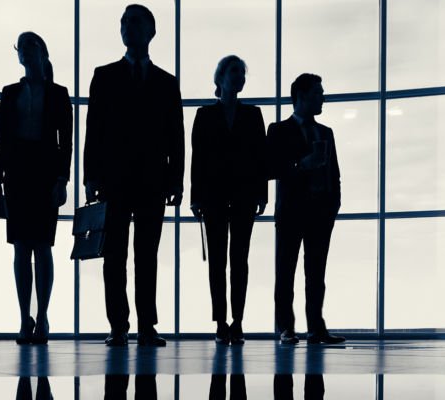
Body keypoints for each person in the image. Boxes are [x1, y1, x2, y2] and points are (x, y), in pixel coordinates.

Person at [84, 4, 185, 347]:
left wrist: (176, 180)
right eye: (124, 22)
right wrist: (90, 177)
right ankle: (119, 325)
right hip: (113, 179)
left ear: (151, 31)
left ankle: (146, 325)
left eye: (135, 22)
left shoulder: (167, 83)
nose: (128, 26)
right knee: (114, 255)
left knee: (147, 255)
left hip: (154, 180)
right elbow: (92, 130)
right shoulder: (104, 75)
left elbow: (176, 135)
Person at [0, 33, 73, 345]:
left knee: (43, 245)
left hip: (46, 172)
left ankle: (43, 318)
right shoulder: (10, 93)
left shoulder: (59, 93)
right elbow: (1, 138)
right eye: (19, 46)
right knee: (21, 246)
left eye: (28, 45)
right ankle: (25, 318)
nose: (23, 50)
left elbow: (67, 143)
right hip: (18, 172)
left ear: (42, 52)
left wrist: (62, 180)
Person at [190, 56, 268, 345]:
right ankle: (221, 321)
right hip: (213, 196)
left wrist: (262, 192)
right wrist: (196, 197)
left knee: (240, 261)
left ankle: (237, 320)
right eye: (234, 72)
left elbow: (261, 157)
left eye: (242, 73)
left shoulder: (253, 114)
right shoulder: (204, 115)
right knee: (218, 261)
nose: (240, 77)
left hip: (245, 194)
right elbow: (197, 159)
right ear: (220, 78)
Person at [267, 74, 346, 345]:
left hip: (321, 210)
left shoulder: (326, 133)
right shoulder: (278, 130)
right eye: (317, 92)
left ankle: (316, 329)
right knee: (285, 271)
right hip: (291, 211)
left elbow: (334, 173)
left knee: (316, 274)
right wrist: (301, 165)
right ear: (301, 96)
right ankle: (286, 329)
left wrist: (334, 204)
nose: (322, 97)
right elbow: (267, 169)